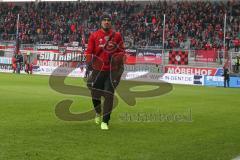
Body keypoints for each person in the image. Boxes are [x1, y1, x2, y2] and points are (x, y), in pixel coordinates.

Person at [85, 13, 125, 130]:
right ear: (101, 22)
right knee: (95, 95)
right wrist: (88, 64)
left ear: (111, 22)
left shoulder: (117, 36)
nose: (106, 22)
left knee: (109, 95)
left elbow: (122, 51)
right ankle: (98, 112)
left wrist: (117, 57)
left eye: (108, 20)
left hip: (112, 71)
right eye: (104, 20)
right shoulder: (94, 35)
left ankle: (105, 121)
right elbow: (88, 52)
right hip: (98, 70)